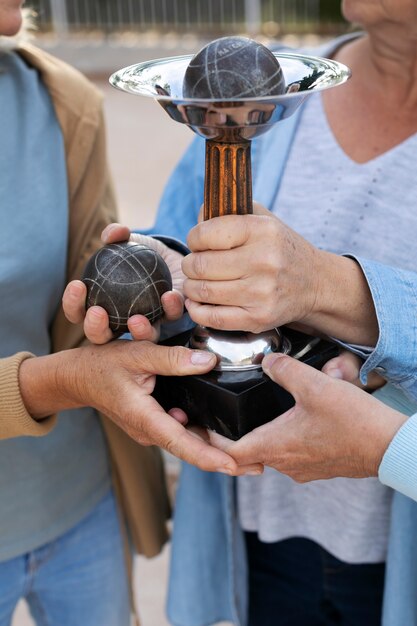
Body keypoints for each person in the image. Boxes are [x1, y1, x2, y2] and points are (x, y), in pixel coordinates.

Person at [139, 1, 417, 624]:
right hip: (261, 530)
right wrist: (152, 281)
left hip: (399, 555)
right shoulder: (259, 92)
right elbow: (181, 250)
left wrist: (326, 287)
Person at [0, 3, 257, 625]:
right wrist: (54, 382)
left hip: (80, 503)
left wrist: (160, 273)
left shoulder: (56, 97)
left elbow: (91, 279)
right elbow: (69, 372)